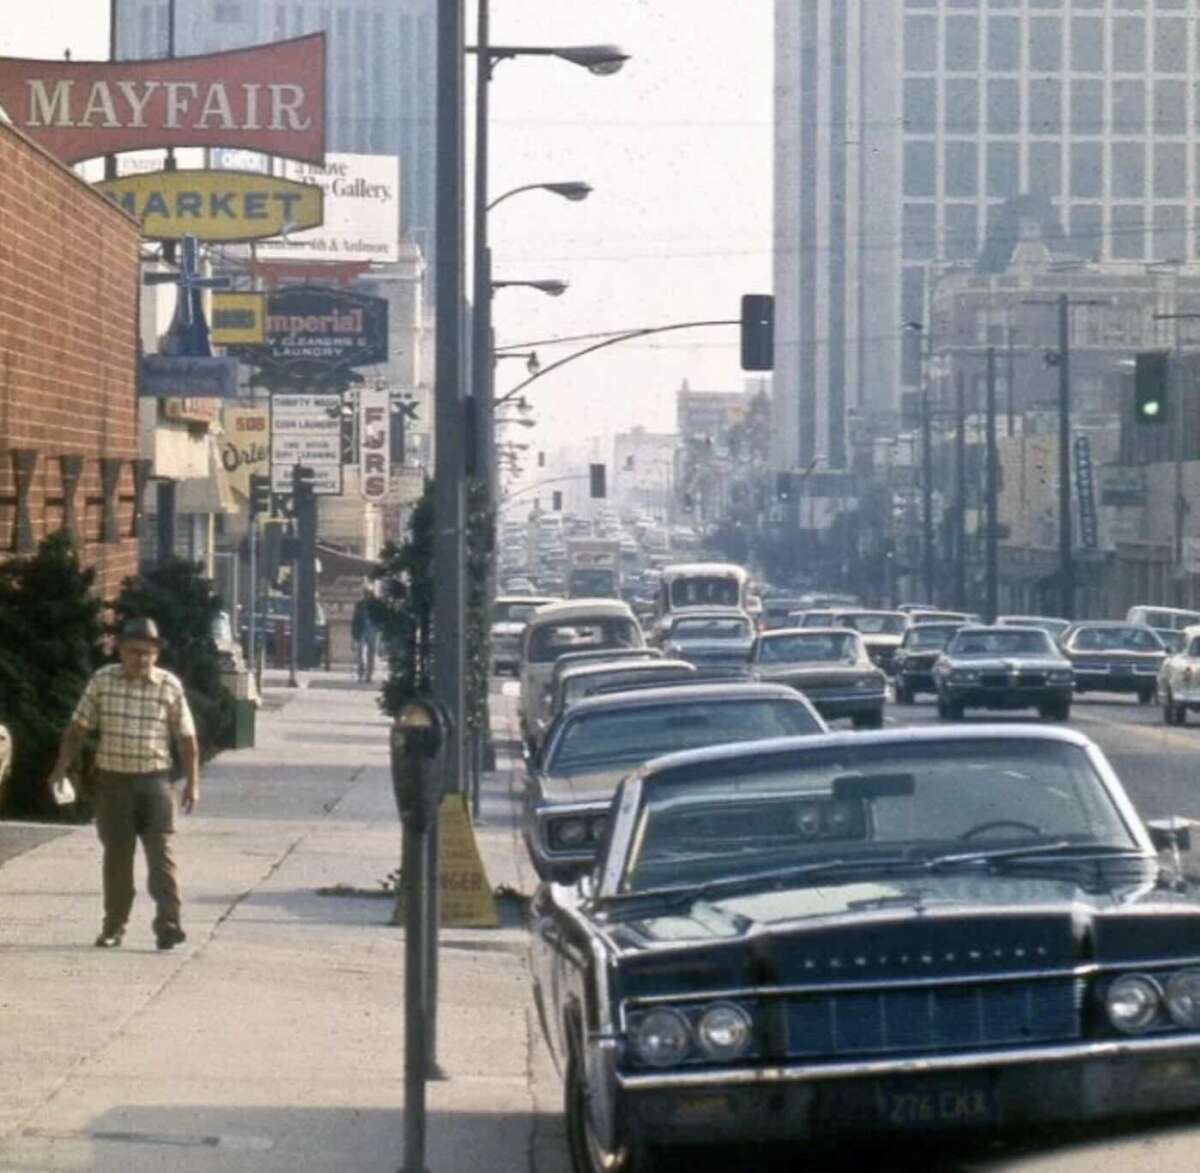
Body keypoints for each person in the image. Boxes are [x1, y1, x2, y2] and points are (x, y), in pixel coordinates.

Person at [46, 618, 199, 951]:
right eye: (133, 652)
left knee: (161, 856)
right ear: (120, 650)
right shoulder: (103, 681)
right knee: (118, 857)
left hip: (155, 783)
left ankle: (168, 924)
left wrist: (192, 783)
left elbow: (186, 738)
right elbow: (77, 728)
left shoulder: (168, 686)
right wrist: (60, 769)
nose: (140, 660)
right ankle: (114, 926)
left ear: (156, 653)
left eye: (147, 653)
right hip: (114, 784)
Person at [351, 586, 379, 683]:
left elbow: (380, 619)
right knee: (360, 653)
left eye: (369, 593)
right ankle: (360, 673)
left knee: (371, 653)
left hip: (372, 630)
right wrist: (354, 633)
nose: (367, 595)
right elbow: (355, 619)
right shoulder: (359, 604)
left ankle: (369, 674)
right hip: (361, 630)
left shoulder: (376, 605)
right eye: (365, 593)